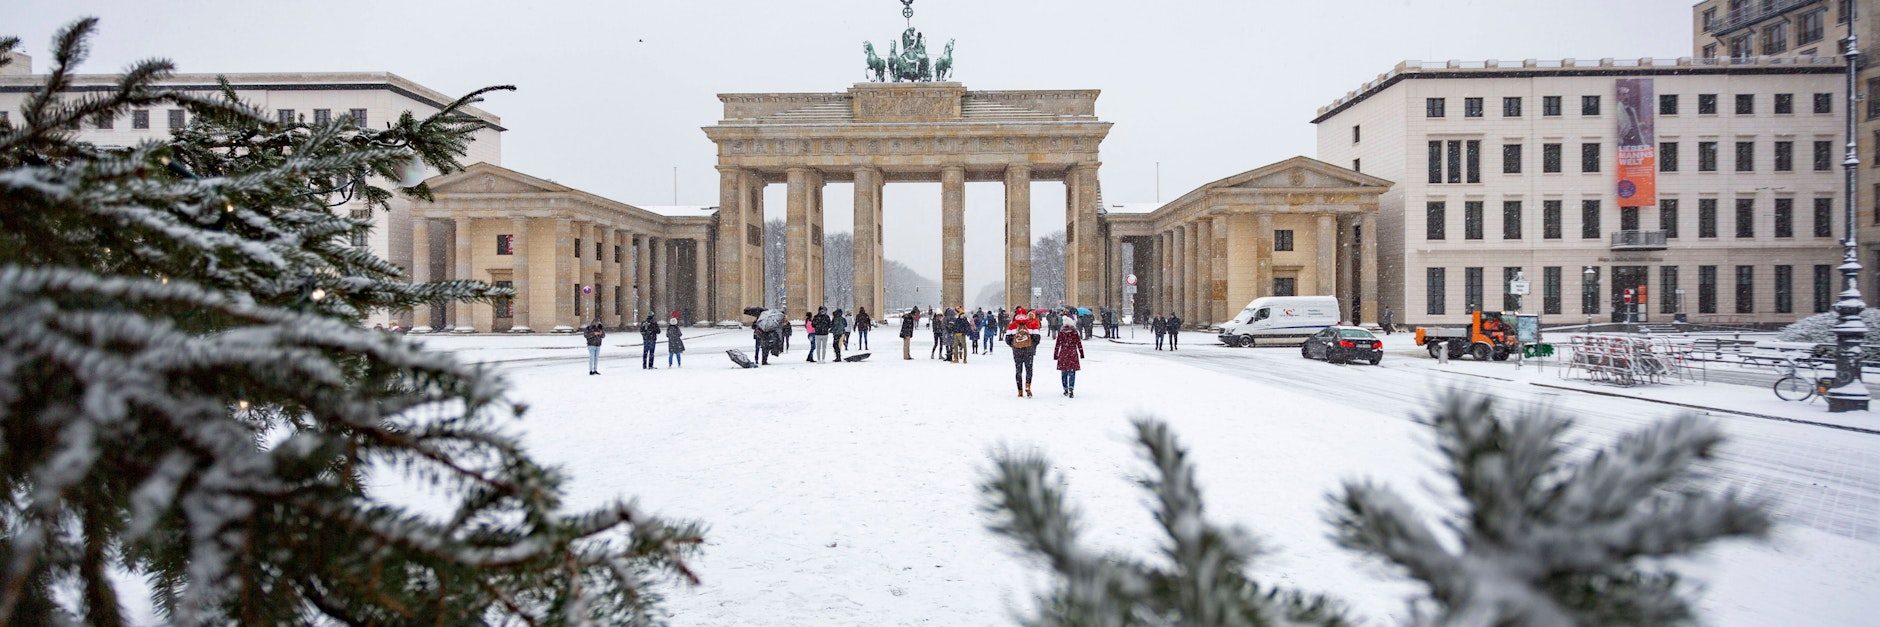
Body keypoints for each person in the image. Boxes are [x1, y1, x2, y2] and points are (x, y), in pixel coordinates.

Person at [1005, 306, 1042, 397]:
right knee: (1029, 369)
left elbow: (1007, 339)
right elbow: (1037, 338)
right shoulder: (1032, 324)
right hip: (1029, 350)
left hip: (1017, 351)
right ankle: (1028, 386)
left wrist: (1014, 346)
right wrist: (1031, 346)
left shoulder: (1012, 325)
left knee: (1018, 370)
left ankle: (1020, 390)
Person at [1054, 322, 1086, 398]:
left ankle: (1065, 388)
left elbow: (1058, 344)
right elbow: (1079, 343)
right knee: (1072, 372)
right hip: (1073, 353)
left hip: (1063, 353)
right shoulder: (1074, 332)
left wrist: (1056, 354)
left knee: (1064, 372)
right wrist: (1081, 353)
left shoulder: (1061, 332)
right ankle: (1071, 387)